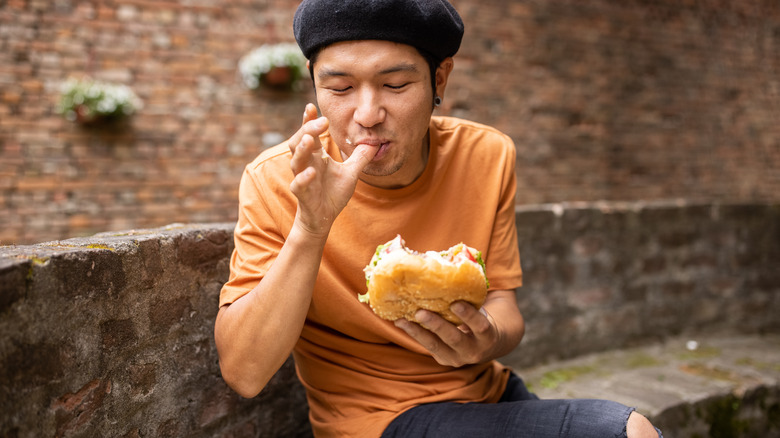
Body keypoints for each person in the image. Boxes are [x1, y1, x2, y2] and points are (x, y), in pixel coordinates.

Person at [214, 0, 662, 437]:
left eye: (395, 85)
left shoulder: (485, 155)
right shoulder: (278, 179)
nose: (367, 115)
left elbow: (504, 305)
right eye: (340, 88)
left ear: (439, 79)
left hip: (489, 392)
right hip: (377, 419)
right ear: (314, 85)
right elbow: (244, 373)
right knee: (630, 430)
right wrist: (311, 226)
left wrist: (485, 339)